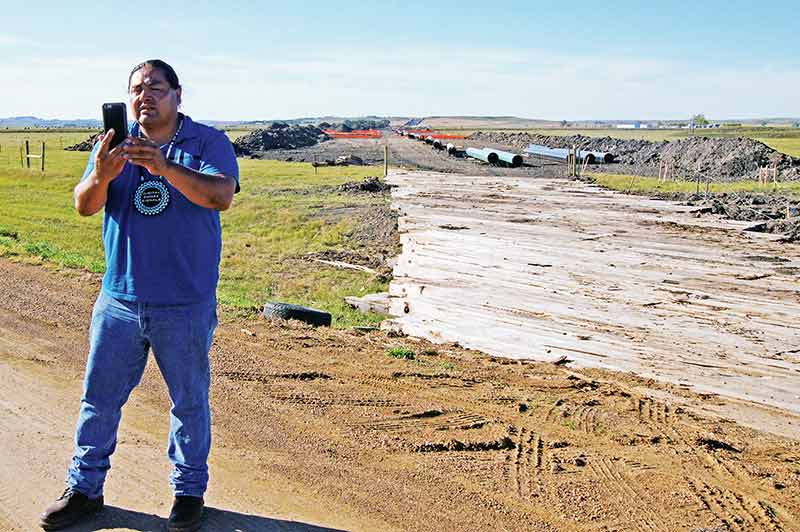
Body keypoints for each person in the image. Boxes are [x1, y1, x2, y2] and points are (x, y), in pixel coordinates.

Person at [40, 59, 239, 532]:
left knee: (189, 403)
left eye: (155, 87)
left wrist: (163, 165)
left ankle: (188, 494)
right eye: (136, 89)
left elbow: (220, 196)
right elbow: (84, 205)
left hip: (184, 302)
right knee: (99, 400)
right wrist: (102, 174)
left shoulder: (206, 142)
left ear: (177, 94)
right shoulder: (112, 144)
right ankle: (84, 489)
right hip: (120, 302)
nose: (144, 96)